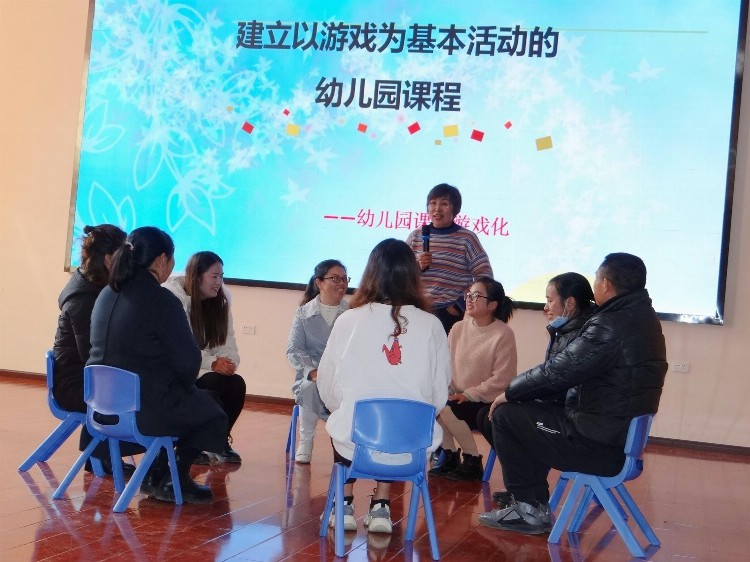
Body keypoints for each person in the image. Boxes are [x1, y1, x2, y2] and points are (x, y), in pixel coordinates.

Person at [478, 253, 668, 535]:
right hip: (614, 438)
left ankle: (529, 509)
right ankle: (532, 502)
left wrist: (509, 392)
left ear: (605, 284)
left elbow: (557, 372)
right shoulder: (643, 319)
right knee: (529, 414)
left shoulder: (611, 324)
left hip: (596, 445)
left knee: (506, 415)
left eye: (596, 280)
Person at [317, 239, 451, 534]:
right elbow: (439, 395)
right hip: (413, 449)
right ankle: (382, 506)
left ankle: (345, 504)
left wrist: (347, 408)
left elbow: (327, 387)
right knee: (395, 418)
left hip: (355, 446)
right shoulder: (432, 325)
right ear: (413, 276)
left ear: (370, 274)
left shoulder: (348, 321)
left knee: (344, 418)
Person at [88, 226, 228, 504]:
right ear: (162, 260)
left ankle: (158, 473)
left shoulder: (106, 293)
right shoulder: (162, 301)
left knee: (195, 401)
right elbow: (189, 364)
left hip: (100, 407)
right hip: (142, 410)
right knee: (213, 410)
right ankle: (170, 476)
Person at [477, 272, 595, 505]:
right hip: (563, 411)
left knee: (503, 416)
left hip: (573, 422)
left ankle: (528, 501)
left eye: (550, 300)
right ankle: (525, 489)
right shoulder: (567, 330)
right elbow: (549, 376)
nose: (545, 307)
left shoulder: (581, 335)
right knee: (488, 416)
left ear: (569, 303)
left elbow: (555, 381)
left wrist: (513, 394)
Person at [52, 224, 141, 475]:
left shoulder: (95, 288)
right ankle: (99, 454)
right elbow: (89, 355)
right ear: (110, 258)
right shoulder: (83, 297)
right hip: (73, 384)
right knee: (137, 396)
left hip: (85, 378)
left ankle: (99, 452)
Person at [428, 276, 517, 481]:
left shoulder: (503, 334)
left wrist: (469, 394)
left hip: (484, 400)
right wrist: (446, 387)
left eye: (476, 296)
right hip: (457, 395)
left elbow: (502, 379)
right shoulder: (458, 328)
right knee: (435, 404)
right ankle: (450, 456)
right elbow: (445, 363)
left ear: (492, 305)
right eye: (468, 295)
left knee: (447, 409)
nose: (469, 299)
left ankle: (473, 460)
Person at [163, 251, 246, 464]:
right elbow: (182, 348)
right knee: (213, 382)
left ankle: (217, 442)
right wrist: (212, 363)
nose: (219, 282)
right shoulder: (174, 299)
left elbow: (229, 342)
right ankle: (192, 443)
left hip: (207, 368)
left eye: (222, 276)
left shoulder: (220, 303)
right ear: (197, 275)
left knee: (236, 383)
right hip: (179, 372)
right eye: (214, 276)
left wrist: (228, 361)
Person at [405, 183, 493, 333]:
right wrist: (416, 267)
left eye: (444, 204)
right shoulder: (416, 236)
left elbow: (484, 277)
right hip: (417, 310)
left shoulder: (466, 238)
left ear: (455, 209)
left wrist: (459, 305)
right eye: (432, 203)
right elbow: (400, 275)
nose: (437, 209)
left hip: (449, 314)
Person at [286, 259, 349, 464]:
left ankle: (343, 443)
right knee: (310, 387)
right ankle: (306, 440)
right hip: (312, 374)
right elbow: (294, 349)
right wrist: (312, 371)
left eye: (344, 279)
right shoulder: (304, 313)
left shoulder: (351, 315)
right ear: (319, 282)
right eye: (335, 278)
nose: (342, 283)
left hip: (342, 375)